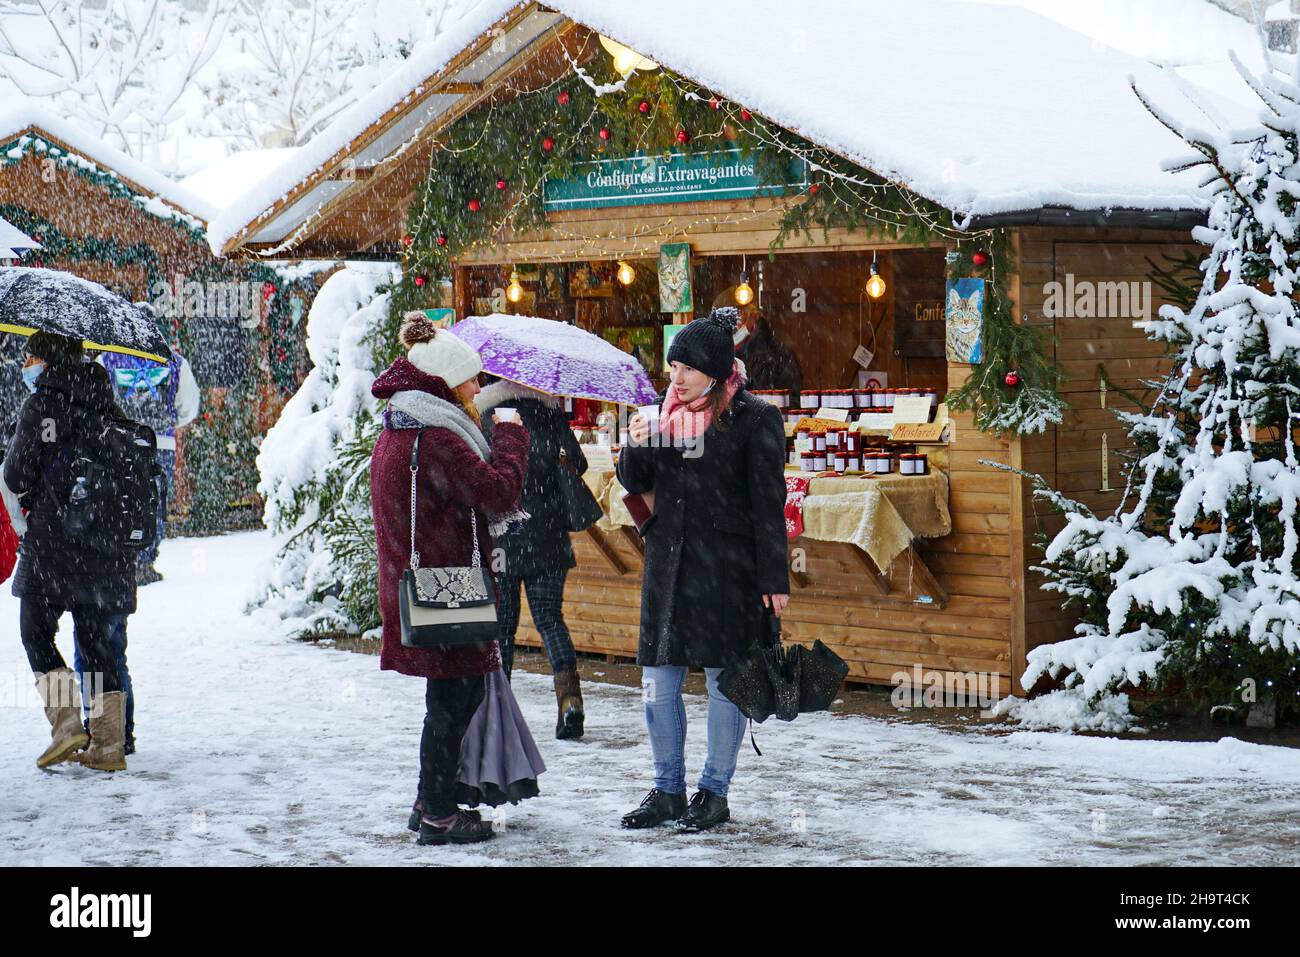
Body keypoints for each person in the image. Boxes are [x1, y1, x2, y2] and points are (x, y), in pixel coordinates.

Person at [616, 306, 790, 832]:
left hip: (728, 570)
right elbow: (633, 479)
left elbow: (768, 503)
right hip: (669, 567)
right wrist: (635, 441)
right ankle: (667, 789)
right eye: (672, 368)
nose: (676, 378)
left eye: (686, 369)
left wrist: (773, 579)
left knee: (724, 681)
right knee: (658, 682)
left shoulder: (755, 418)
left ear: (715, 370)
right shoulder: (662, 415)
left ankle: (713, 792)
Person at [369, 313, 530, 846]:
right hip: (448, 588)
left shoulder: (403, 422)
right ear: (445, 381)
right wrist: (510, 437)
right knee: (454, 697)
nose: (477, 389)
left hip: (419, 582)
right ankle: (438, 812)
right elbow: (496, 491)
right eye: (471, 379)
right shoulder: (437, 436)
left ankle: (429, 799)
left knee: (449, 696)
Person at [5, 332, 136, 772]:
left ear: (47, 359)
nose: (26, 364)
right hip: (105, 549)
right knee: (97, 646)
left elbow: (18, 474)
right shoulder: (105, 400)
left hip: (54, 545)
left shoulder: (43, 405)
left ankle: (66, 725)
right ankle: (107, 745)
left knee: (35, 632)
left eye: (30, 356)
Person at [477, 376, 589, 739]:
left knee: (502, 629)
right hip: (549, 539)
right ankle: (570, 701)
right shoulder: (549, 412)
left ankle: (498, 711)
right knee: (551, 621)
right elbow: (578, 462)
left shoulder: (487, 415)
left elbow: (478, 474)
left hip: (503, 538)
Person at [100, 346, 200, 585]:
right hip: (160, 442)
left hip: (120, 441)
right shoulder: (174, 361)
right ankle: (146, 559)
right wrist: (168, 420)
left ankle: (124, 556)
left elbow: (100, 399)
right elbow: (188, 406)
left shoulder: (108, 357)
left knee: (120, 498)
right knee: (154, 501)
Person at [716, 291, 803, 394]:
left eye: (737, 313)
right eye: (722, 318)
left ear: (753, 315)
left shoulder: (777, 357)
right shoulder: (718, 356)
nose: (730, 323)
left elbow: (790, 400)